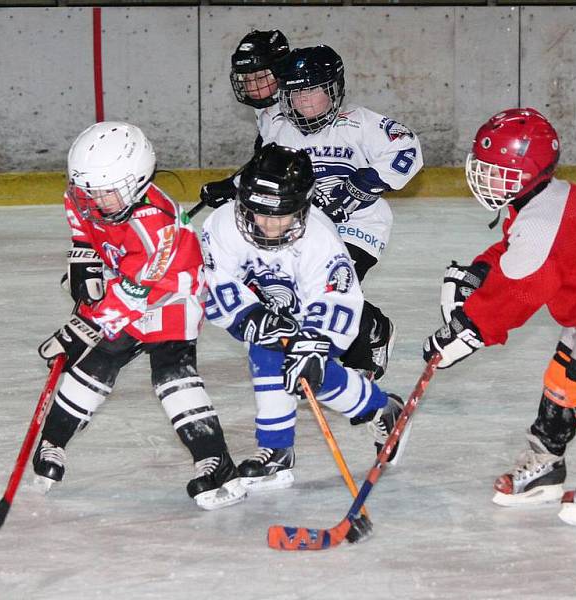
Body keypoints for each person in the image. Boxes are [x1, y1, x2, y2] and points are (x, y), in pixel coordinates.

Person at [422, 107, 576, 528]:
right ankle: (547, 465)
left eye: (497, 171)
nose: (485, 179)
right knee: (560, 379)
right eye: (484, 168)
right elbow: (515, 248)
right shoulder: (545, 198)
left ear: (528, 171)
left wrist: (469, 328)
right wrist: (480, 271)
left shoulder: (543, 220)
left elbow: (519, 292)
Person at [33, 121, 247, 511]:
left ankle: (215, 461)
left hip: (171, 292)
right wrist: (84, 259)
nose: (96, 200)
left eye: (107, 192)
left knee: (171, 375)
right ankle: (53, 443)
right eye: (89, 191)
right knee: (93, 367)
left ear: (137, 181)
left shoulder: (156, 224)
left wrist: (87, 325)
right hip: (126, 284)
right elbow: (83, 228)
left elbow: (138, 292)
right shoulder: (83, 196)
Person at [205, 44, 424, 382]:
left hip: (358, 226)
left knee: (330, 284)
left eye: (311, 92)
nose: (302, 101)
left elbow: (406, 148)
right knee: (288, 288)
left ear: (333, 90)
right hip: (304, 228)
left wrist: (359, 185)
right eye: (294, 94)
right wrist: (232, 186)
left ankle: (362, 357)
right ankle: (373, 325)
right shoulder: (280, 129)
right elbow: (268, 171)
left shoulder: (359, 123)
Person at [201, 142, 404, 490]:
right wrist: (247, 317)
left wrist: (314, 344)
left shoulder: (319, 237)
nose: (266, 225)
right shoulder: (221, 225)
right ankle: (278, 451)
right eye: (257, 212)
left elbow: (337, 296)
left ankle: (379, 407)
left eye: (280, 215)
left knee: (313, 374)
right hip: (265, 308)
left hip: (311, 314)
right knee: (266, 353)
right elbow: (212, 281)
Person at [200, 29, 290, 209]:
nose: (252, 87)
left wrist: (234, 186)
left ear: (280, 71)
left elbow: (278, 168)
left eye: (259, 77)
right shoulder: (268, 105)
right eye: (247, 80)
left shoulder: (291, 108)